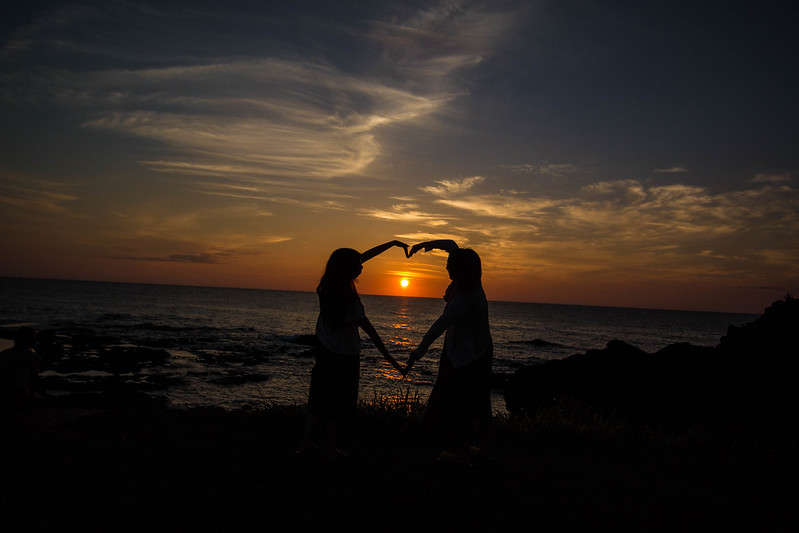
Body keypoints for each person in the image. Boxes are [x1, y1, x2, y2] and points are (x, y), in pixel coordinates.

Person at [298, 240, 407, 459]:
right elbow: (372, 333)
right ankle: (328, 448)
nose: (362, 266)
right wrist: (393, 361)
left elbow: (363, 257)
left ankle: (306, 446)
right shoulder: (348, 301)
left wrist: (392, 244)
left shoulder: (328, 286)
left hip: (325, 352)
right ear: (347, 268)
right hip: (345, 357)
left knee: (319, 401)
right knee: (338, 405)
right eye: (357, 264)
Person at [406, 240, 493, 457]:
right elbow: (451, 244)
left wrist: (417, 353)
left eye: (449, 265)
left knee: (463, 401)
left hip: (471, 355)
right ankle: (462, 445)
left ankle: (456, 448)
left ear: (461, 270)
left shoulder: (465, 299)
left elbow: (439, 326)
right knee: (465, 399)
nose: (446, 267)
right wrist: (424, 245)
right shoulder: (469, 282)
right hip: (461, 349)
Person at [0, 326, 43, 410]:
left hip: (3, 391)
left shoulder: (4, 353)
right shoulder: (33, 357)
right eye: (35, 338)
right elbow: (33, 380)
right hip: (19, 392)